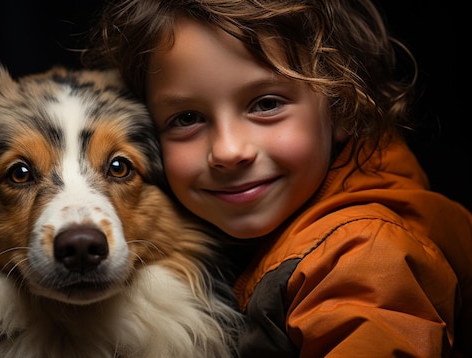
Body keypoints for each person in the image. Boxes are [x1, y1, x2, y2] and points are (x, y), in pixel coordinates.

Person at [83, 0, 472, 356]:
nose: (229, 150)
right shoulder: (247, 229)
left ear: (341, 107)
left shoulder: (364, 259)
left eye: (266, 104)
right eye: (187, 118)